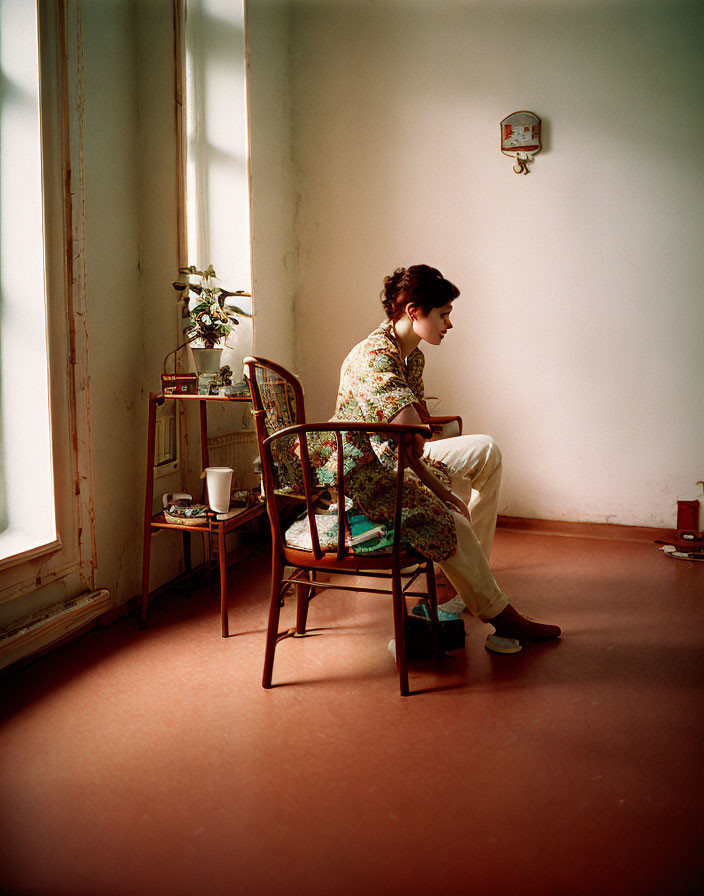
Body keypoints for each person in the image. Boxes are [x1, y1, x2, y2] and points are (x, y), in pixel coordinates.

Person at [330, 264, 560, 650]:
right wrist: (444, 490)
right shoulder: (374, 356)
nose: (449, 324)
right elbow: (409, 442)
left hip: (395, 454)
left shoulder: (412, 354)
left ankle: (471, 580)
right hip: (368, 470)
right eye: (444, 314)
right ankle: (496, 610)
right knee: (449, 512)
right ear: (414, 311)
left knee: (486, 451)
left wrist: (427, 438)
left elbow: (416, 429)